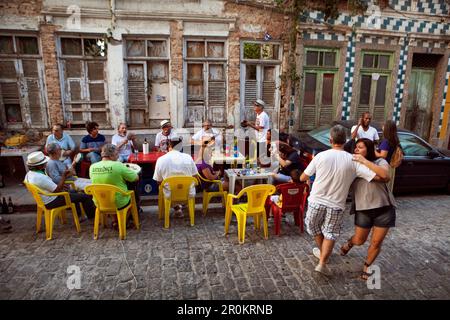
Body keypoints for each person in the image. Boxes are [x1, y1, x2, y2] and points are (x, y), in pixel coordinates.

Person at [299, 125, 388, 276]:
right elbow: (379, 178)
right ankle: (322, 262)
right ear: (345, 140)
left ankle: (323, 256)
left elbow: (302, 177)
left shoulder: (320, 156)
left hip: (316, 201)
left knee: (314, 228)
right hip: (336, 204)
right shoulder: (353, 160)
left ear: (331, 140)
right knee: (330, 233)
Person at [341, 138, 395, 280]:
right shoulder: (353, 166)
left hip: (385, 207)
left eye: (360, 147)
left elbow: (385, 175)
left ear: (369, 149)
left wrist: (364, 161)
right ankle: (351, 242)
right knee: (359, 240)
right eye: (356, 148)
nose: (356, 150)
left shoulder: (380, 162)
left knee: (376, 242)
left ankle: (367, 265)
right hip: (363, 209)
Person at [24, 151, 95, 220]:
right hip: (52, 201)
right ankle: (92, 217)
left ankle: (78, 216)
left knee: (74, 192)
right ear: (39, 166)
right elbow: (57, 190)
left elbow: (50, 186)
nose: (46, 163)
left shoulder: (29, 174)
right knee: (85, 196)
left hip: (45, 199)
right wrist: (64, 176)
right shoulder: (40, 177)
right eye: (44, 162)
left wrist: (62, 186)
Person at [89, 144, 140, 226]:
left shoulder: (92, 167)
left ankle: (115, 221)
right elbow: (135, 178)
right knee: (132, 192)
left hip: (100, 201)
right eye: (117, 154)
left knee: (109, 191)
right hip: (118, 202)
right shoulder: (118, 165)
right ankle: (123, 222)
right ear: (112, 155)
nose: (118, 156)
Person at [153, 136, 198, 218]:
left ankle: (176, 207)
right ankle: (182, 206)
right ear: (181, 146)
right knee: (186, 185)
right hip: (188, 193)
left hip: (170, 194)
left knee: (163, 186)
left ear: (169, 146)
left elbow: (158, 181)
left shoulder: (161, 159)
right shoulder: (188, 157)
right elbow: (195, 176)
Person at [375, 120, 400, 193]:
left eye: (384, 126)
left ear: (387, 128)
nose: (382, 127)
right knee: (388, 189)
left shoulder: (386, 141)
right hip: (391, 166)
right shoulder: (394, 139)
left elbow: (382, 155)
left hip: (385, 167)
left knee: (383, 189)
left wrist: (373, 151)